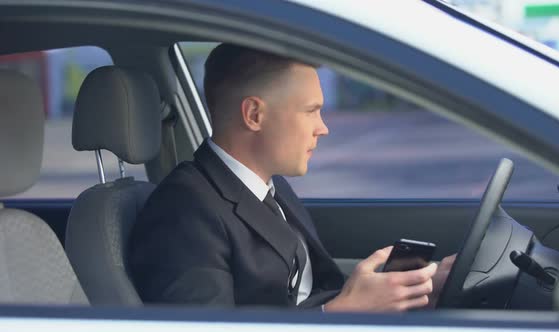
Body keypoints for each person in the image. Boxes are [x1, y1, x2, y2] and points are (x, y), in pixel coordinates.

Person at [128, 43, 455, 311]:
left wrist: (422, 282)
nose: (323, 127)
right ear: (254, 115)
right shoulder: (183, 212)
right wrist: (342, 314)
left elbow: (312, 290)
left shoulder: (270, 187)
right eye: (311, 110)